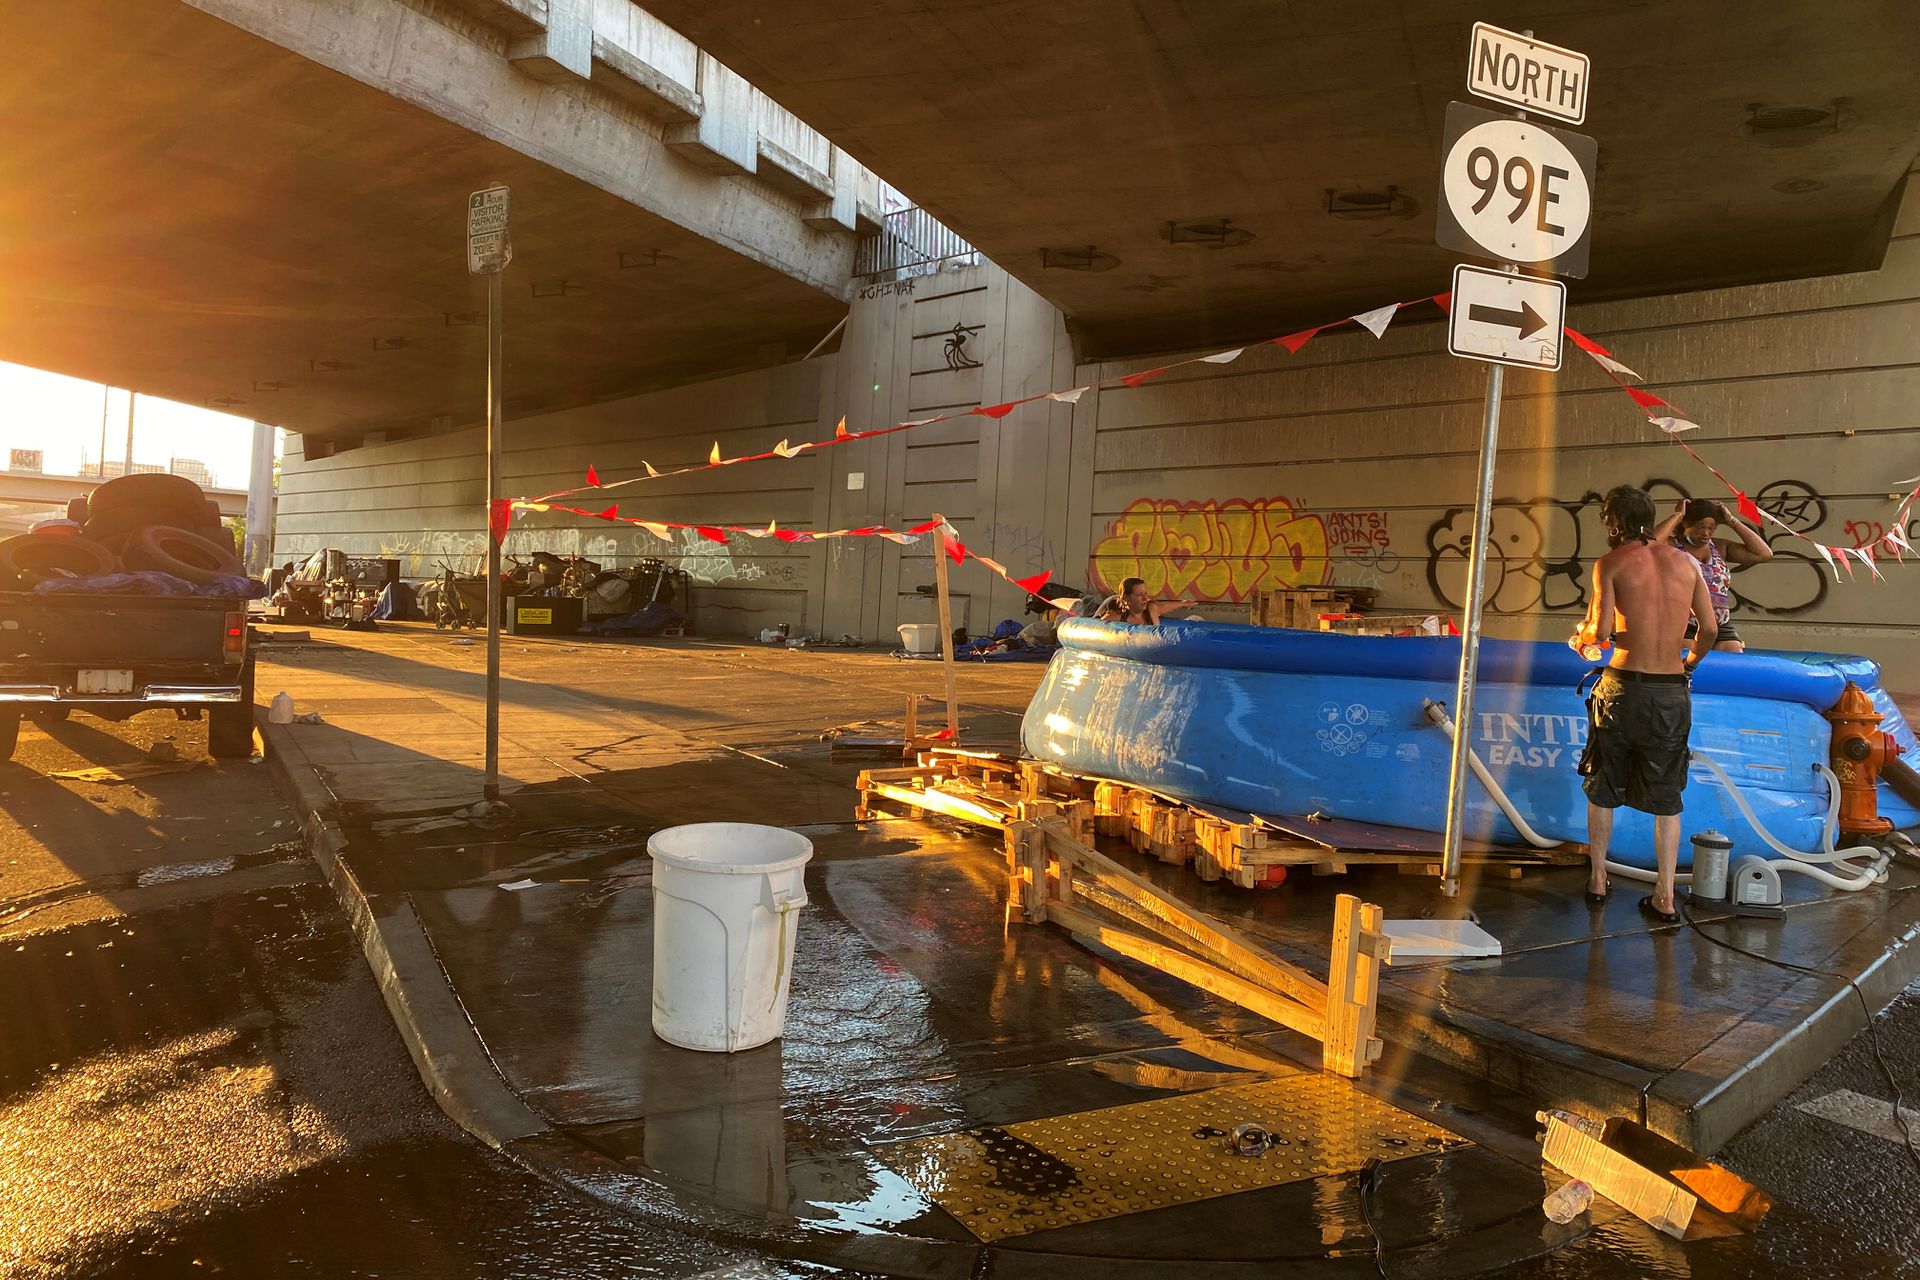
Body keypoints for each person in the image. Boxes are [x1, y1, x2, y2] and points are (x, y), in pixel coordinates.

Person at [1573, 485, 1718, 924]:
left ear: (1613, 523)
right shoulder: (1689, 563)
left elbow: (1599, 633)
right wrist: (1688, 664)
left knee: (1602, 783)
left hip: (1621, 688)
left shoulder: (1610, 563)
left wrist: (1580, 638)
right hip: (1670, 691)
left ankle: (1598, 880)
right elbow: (1709, 629)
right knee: (1667, 795)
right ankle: (1665, 897)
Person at [1650, 497, 1772, 653]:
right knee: (1687, 654)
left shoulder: (1719, 547)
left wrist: (1731, 520)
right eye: (1700, 527)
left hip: (1720, 623)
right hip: (1684, 623)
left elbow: (1763, 554)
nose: (1706, 533)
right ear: (1686, 524)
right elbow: (1649, 544)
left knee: (1734, 653)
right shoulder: (1672, 546)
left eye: (1712, 527)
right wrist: (1677, 515)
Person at [1096, 577, 1196, 625]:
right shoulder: (1114, 618)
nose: (1145, 599)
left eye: (1145, 594)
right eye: (1139, 595)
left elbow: (1165, 606)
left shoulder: (1152, 611)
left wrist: (1183, 604)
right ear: (1126, 598)